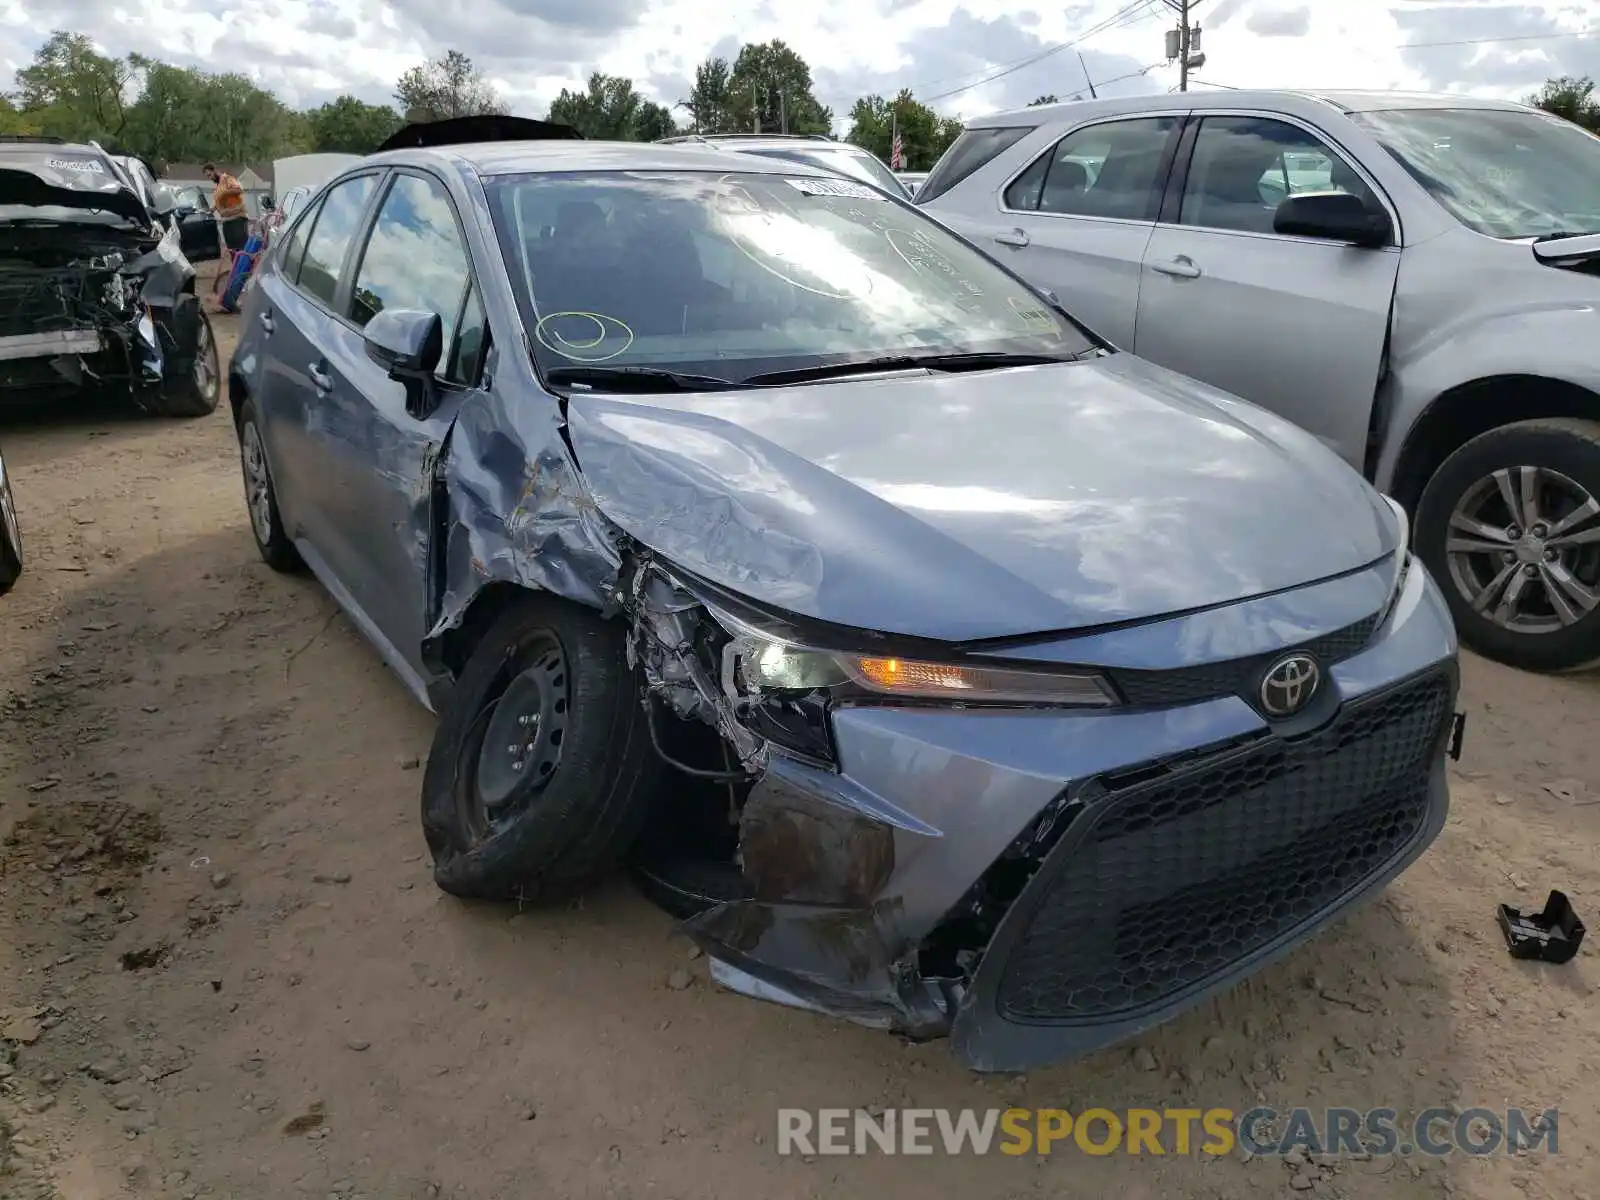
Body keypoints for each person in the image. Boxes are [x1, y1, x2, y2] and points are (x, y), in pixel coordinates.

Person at [203, 163, 250, 255]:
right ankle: (236, 268)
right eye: (208, 177)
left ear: (215, 171)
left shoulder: (228, 179)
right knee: (231, 250)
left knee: (242, 248)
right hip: (226, 221)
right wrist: (211, 210)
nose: (210, 178)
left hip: (237, 219)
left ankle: (245, 268)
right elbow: (217, 203)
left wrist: (224, 193)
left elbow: (239, 190)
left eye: (210, 175)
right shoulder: (217, 188)